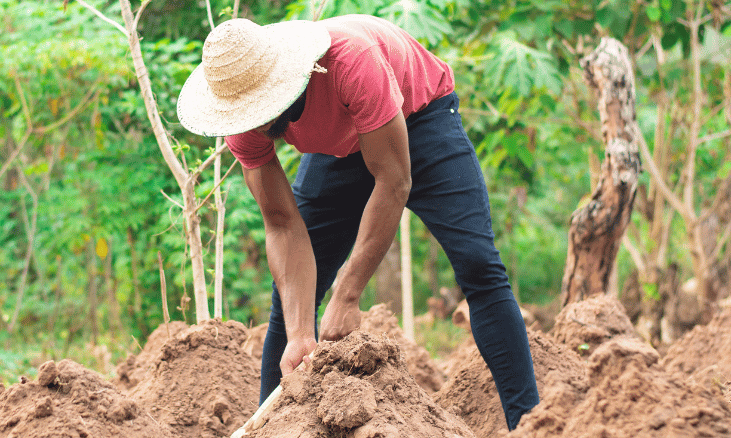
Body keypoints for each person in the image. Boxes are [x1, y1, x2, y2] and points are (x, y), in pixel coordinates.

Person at [176, 14, 539, 429]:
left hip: (421, 117)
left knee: (479, 264)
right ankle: (274, 430)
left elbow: (394, 180)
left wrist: (349, 294)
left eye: (260, 110)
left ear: (283, 83)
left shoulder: (350, 63)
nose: (253, 124)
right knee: (293, 300)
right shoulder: (239, 118)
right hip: (339, 151)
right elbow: (280, 224)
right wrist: (299, 335)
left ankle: (529, 422)